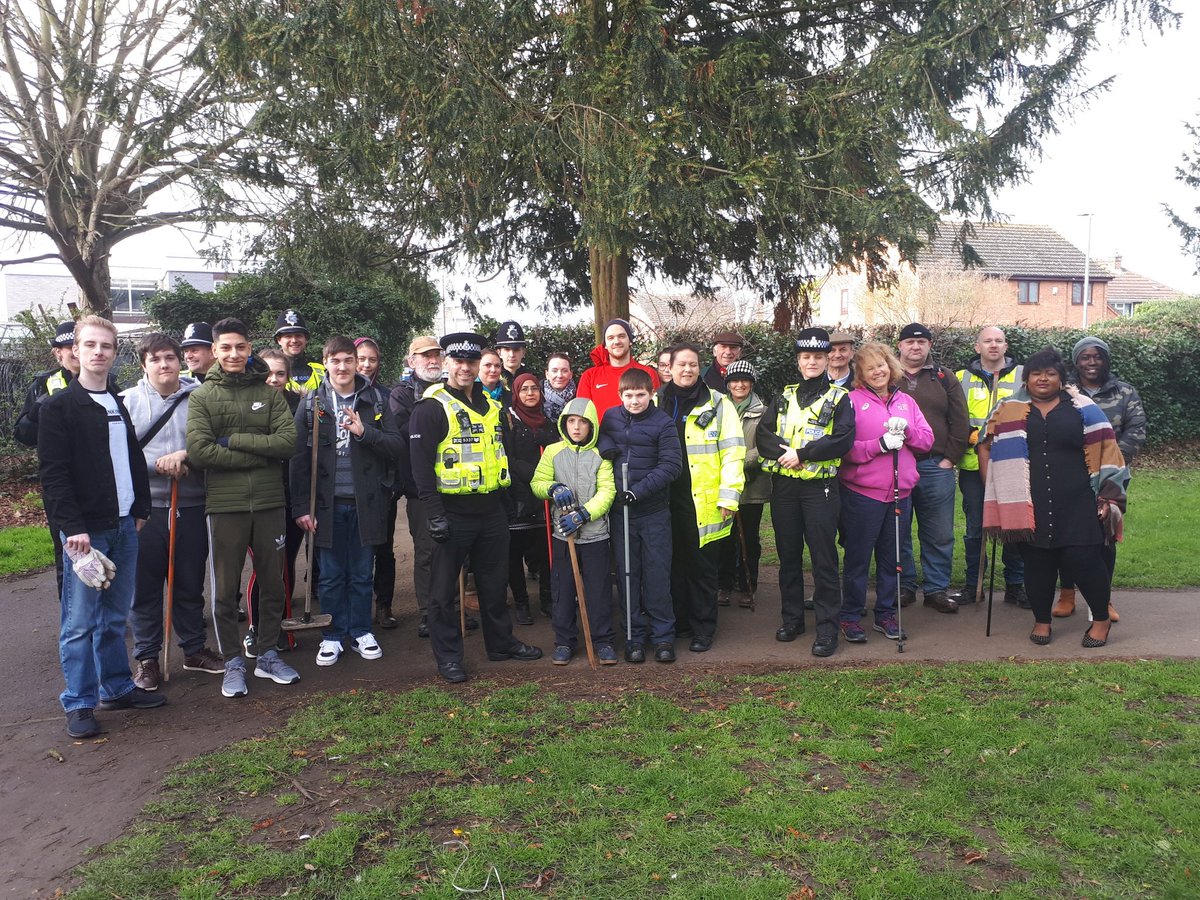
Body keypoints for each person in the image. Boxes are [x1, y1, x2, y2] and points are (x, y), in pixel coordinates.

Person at [39, 316, 163, 738]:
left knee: (114, 619)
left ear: (114, 352)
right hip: (84, 534)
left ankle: (117, 687)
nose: (97, 353)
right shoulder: (57, 408)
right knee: (79, 623)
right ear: (76, 349)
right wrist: (72, 527)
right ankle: (78, 702)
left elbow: (131, 460)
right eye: (89, 345)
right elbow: (53, 475)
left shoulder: (116, 402)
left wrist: (141, 506)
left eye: (106, 346)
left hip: (126, 524)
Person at [407, 332, 542, 683]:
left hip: (492, 511)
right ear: (447, 364)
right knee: (442, 593)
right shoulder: (431, 406)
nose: (465, 368)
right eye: (459, 361)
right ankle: (449, 656)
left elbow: (502, 457)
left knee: (494, 585)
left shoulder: (493, 407)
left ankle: (501, 644)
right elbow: (420, 468)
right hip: (451, 512)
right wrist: (434, 514)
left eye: (471, 361)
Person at [978, 348, 1128, 648]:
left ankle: (1100, 620)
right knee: (1037, 562)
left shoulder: (1083, 408)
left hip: (1078, 499)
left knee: (1084, 559)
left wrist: (1108, 498)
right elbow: (985, 444)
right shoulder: (1007, 408)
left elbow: (1109, 450)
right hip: (1028, 502)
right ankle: (1042, 620)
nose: (1043, 379)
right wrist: (993, 490)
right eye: (1036, 373)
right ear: (1026, 378)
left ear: (1061, 378)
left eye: (1050, 373)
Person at [187, 317, 300, 698]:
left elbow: (287, 443)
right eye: (226, 348)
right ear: (215, 351)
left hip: (270, 502)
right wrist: (259, 454)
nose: (234, 354)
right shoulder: (203, 396)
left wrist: (234, 439)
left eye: (240, 347)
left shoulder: (269, 393)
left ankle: (267, 653)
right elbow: (201, 452)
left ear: (250, 348)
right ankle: (233, 661)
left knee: (273, 581)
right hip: (225, 505)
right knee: (224, 588)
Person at [290, 336, 403, 667]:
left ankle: (361, 630)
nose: (342, 367)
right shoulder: (312, 403)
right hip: (325, 503)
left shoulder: (376, 401)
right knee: (330, 574)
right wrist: (301, 508)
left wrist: (363, 431)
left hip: (365, 501)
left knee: (361, 573)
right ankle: (333, 634)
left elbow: (396, 446)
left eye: (348, 360)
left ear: (357, 363)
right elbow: (298, 460)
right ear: (325, 363)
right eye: (335, 360)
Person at [121, 333, 223, 691]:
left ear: (180, 360)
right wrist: (157, 465)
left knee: (189, 582)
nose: (164, 365)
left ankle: (194, 649)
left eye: (169, 357)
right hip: (145, 510)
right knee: (145, 586)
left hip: (191, 503)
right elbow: (120, 454)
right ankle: (147, 658)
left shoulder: (201, 397)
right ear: (143, 365)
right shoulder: (128, 401)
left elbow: (214, 443)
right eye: (155, 359)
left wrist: (187, 457)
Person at [757, 330, 855, 657]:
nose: (811, 362)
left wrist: (803, 454)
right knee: (788, 556)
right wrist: (787, 454)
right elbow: (763, 435)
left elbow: (842, 439)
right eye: (805, 357)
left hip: (820, 488)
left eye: (817, 357)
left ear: (828, 360)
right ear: (798, 361)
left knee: (823, 558)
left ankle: (827, 629)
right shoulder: (784, 396)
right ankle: (792, 619)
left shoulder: (840, 398)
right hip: (785, 487)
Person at [837, 342, 933, 644]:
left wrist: (907, 432)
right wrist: (878, 444)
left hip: (899, 494)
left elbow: (927, 441)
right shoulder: (850, 401)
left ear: (890, 367)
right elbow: (843, 449)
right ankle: (851, 615)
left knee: (892, 558)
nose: (877, 371)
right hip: (862, 494)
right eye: (869, 368)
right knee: (858, 558)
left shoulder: (906, 401)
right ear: (861, 374)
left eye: (881, 365)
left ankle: (886, 613)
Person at [658, 342, 745, 652]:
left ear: (700, 368)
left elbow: (734, 453)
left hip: (704, 501)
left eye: (693, 364)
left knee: (702, 567)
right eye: (681, 364)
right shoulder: (658, 401)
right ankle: (680, 622)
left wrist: (729, 497)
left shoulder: (719, 404)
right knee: (673, 564)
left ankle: (703, 628)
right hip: (665, 499)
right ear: (669, 367)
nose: (687, 370)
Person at [1054, 336, 1147, 620]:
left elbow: (1137, 429)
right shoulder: (1063, 392)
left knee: (1105, 535)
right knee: (1068, 536)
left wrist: (1110, 461)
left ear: (1105, 360)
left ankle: (1103, 600)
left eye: (1097, 357)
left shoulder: (1125, 392)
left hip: (1111, 477)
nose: (1091, 362)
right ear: (1076, 361)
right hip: (1071, 475)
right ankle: (1067, 594)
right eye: (1085, 357)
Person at [390, 336, 474, 639]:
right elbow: (404, 433)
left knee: (456, 552)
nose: (432, 360)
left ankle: (454, 606)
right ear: (411, 361)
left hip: (457, 488)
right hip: (420, 489)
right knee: (427, 552)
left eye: (436, 355)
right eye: (424, 356)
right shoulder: (401, 394)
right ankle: (429, 612)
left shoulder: (456, 390)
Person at [598, 367, 682, 663]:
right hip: (621, 513)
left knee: (657, 572)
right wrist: (607, 448)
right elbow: (600, 438)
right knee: (627, 573)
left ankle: (663, 637)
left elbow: (672, 465)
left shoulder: (663, 423)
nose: (634, 401)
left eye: (641, 395)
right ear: (620, 395)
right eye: (629, 395)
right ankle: (634, 636)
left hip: (653, 511)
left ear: (652, 394)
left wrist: (638, 491)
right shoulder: (610, 416)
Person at [532, 397, 618, 665]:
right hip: (563, 534)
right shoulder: (553, 452)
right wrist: (553, 488)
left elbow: (607, 491)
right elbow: (538, 481)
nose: (577, 427)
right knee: (563, 589)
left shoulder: (600, 455)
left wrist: (584, 514)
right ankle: (564, 641)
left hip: (595, 534)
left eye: (583, 422)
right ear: (564, 423)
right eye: (571, 421)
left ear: (591, 426)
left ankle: (602, 640)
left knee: (598, 589)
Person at [894, 322, 970, 613]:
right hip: (896, 465)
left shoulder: (943, 377)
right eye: (910, 342)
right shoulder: (886, 375)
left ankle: (937, 589)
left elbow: (960, 420)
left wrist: (950, 458)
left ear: (929, 345)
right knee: (897, 530)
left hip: (934, 466)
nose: (916, 347)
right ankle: (904, 586)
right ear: (899, 345)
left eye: (922, 342)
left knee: (938, 531)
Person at [956, 326, 1025, 605]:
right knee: (975, 528)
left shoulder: (1024, 376)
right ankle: (974, 585)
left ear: (1006, 346)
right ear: (977, 347)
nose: (993, 345)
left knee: (1013, 524)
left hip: (1013, 464)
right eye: (987, 341)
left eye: (998, 341)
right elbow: (953, 418)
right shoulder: (960, 378)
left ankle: (1015, 586)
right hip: (973, 466)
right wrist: (971, 434)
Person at [15, 321, 81, 595]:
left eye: (79, 346)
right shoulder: (44, 384)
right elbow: (23, 435)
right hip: (61, 483)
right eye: (68, 348)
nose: (75, 353)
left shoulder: (108, 382)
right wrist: (37, 411)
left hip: (102, 481)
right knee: (66, 550)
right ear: (58, 353)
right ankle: (71, 617)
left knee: (104, 548)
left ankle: (102, 617)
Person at [244, 347, 302, 651]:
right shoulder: (245, 405)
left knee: (286, 564)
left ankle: (279, 621)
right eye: (268, 373)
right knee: (265, 566)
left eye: (281, 373)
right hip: (258, 499)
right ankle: (256, 626)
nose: (274, 379)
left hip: (292, 498)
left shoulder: (300, 405)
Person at [715, 360, 773, 610]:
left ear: (751, 383)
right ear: (728, 384)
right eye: (734, 380)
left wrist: (738, 461)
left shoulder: (764, 411)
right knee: (724, 538)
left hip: (752, 486)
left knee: (748, 537)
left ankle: (749, 585)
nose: (739, 384)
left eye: (744, 380)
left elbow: (766, 447)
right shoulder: (718, 408)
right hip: (724, 485)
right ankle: (724, 584)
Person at [504, 373, 557, 624]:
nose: (529, 393)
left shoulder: (548, 422)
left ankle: (547, 599)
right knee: (514, 553)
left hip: (544, 496)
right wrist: (534, 474)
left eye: (534, 388)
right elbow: (507, 456)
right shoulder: (510, 421)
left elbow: (557, 451)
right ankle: (522, 603)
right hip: (518, 494)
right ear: (516, 393)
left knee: (546, 551)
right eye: (524, 389)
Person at [355, 336, 399, 628]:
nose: (366, 365)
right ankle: (355, 612)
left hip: (381, 487)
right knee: (355, 553)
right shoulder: (333, 395)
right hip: (349, 488)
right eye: (361, 359)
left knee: (383, 548)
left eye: (372, 359)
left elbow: (395, 444)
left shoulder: (385, 395)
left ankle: (384, 606)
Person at [576, 318, 660, 415]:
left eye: (621, 336)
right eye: (610, 338)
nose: (616, 341)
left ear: (630, 341)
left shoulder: (648, 373)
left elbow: (655, 413)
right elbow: (582, 415)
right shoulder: (589, 376)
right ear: (605, 345)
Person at [274, 309, 326, 393]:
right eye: (288, 336)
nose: (294, 340)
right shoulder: (270, 374)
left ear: (306, 339)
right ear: (279, 340)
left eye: (298, 335)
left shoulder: (322, 370)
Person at [495, 320, 535, 390]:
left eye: (516, 349)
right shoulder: (493, 378)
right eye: (507, 350)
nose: (512, 354)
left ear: (523, 352)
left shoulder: (533, 379)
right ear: (499, 353)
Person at [542, 352, 576, 423]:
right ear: (547, 374)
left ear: (571, 374)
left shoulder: (580, 395)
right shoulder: (536, 394)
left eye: (564, 371)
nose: (559, 375)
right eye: (554, 371)